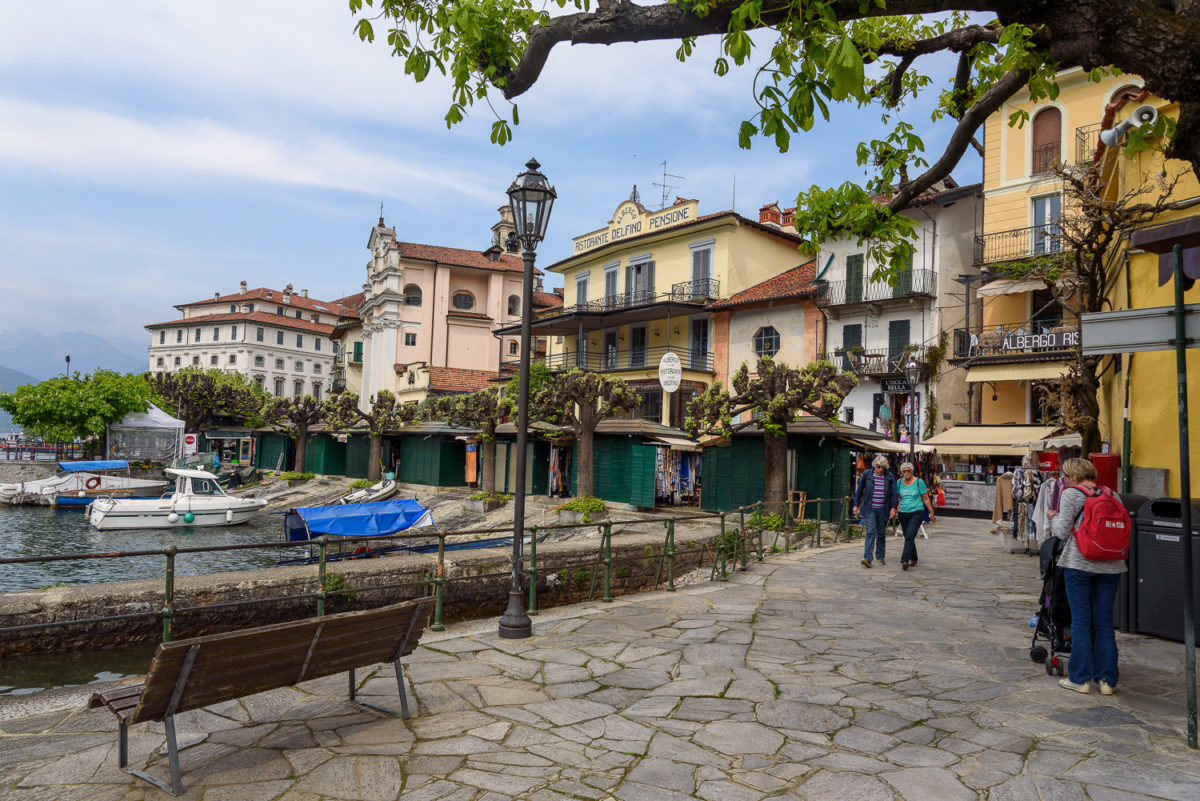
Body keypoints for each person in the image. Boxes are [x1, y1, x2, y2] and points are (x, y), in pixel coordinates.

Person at [1049, 457, 1126, 695]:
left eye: (1064, 476)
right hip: (1111, 565)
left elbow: (1062, 531)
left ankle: (1080, 678)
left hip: (1080, 564)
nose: (1063, 480)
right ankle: (1107, 681)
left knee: (1081, 622)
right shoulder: (1112, 494)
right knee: (1104, 623)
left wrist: (1053, 517)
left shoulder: (1072, 493)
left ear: (1072, 476)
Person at [852, 455, 897, 568]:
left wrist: (893, 507)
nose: (880, 469)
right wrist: (856, 505)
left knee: (881, 533)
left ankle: (880, 556)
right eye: (878, 467)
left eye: (882, 467)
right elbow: (859, 490)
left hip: (883, 508)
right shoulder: (867, 474)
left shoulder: (890, 477)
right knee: (871, 532)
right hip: (869, 508)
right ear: (874, 466)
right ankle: (867, 558)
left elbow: (893, 494)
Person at [896, 461, 935, 570]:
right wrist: (898, 506)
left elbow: (926, 498)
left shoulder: (919, 482)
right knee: (909, 536)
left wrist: (931, 512)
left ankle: (904, 560)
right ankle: (914, 558)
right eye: (904, 471)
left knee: (909, 536)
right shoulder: (899, 483)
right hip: (903, 513)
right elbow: (899, 497)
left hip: (917, 512)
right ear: (902, 473)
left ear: (912, 471)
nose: (907, 473)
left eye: (909, 471)